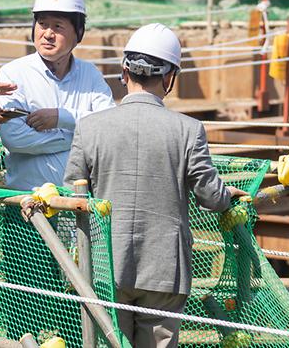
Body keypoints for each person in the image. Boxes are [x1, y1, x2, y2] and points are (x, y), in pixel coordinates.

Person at [64, 23, 247, 348]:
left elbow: (70, 197)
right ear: (168, 77)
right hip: (165, 268)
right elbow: (209, 195)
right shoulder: (188, 130)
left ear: (124, 72)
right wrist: (226, 194)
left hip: (106, 266)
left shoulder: (90, 128)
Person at [0, 0, 114, 190]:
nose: (48, 34)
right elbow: (13, 137)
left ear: (79, 32)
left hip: (79, 208)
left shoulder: (90, 74)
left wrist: (61, 117)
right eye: (42, 24)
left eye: (58, 26)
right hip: (27, 207)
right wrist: (78, 140)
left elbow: (108, 125)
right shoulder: (13, 73)